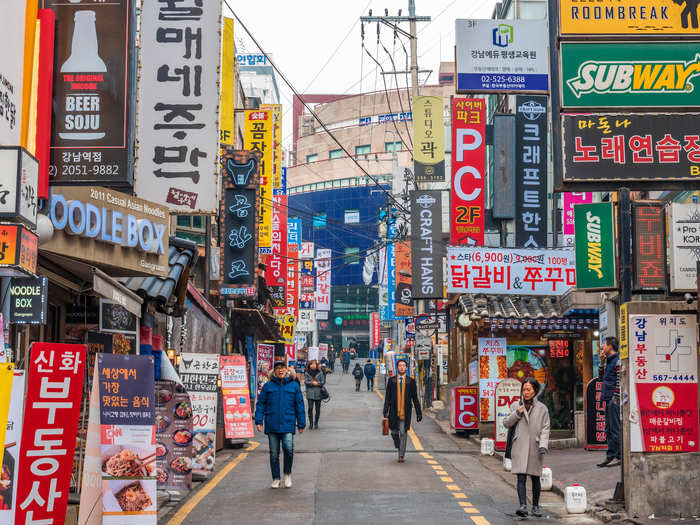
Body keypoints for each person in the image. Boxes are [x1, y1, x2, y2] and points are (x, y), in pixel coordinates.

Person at [503, 377, 550, 518]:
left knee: (535, 477)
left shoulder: (542, 409)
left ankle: (535, 506)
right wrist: (517, 413)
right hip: (520, 446)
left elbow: (546, 428)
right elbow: (506, 423)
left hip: (536, 447)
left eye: (529, 389)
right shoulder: (515, 406)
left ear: (535, 391)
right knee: (521, 477)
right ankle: (523, 505)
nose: (526, 392)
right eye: (524, 389)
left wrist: (543, 445)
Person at [254, 361, 305, 489]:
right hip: (272, 423)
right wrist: (259, 421)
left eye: (282, 368)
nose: (280, 370)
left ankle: (287, 474)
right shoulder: (268, 386)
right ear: (274, 371)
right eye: (277, 368)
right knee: (274, 453)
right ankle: (276, 478)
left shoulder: (294, 386)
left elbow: (299, 405)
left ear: (286, 370)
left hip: (288, 423)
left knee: (288, 449)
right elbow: (261, 404)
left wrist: (301, 423)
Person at [382, 358, 422, 462]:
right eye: (400, 365)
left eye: (404, 365)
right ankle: (399, 446)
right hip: (393, 412)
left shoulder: (411, 381)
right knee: (394, 433)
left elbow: (415, 398)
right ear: (397, 367)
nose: (402, 367)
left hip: (405, 412)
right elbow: (387, 397)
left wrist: (419, 412)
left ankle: (401, 455)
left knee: (403, 433)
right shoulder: (392, 381)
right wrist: (385, 410)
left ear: (406, 367)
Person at [597, 336, 621, 468]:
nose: (603, 347)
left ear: (610, 346)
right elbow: (600, 378)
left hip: (613, 400)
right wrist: (601, 362)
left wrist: (615, 399)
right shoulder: (609, 361)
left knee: (615, 429)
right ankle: (610, 455)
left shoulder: (617, 361)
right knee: (608, 429)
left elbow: (619, 381)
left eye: (604, 345)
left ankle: (619, 456)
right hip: (607, 399)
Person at [304, 360, 325, 430]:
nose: (313, 365)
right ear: (309, 365)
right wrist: (312, 383)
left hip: (318, 393)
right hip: (310, 393)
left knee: (318, 409)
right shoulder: (307, 373)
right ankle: (311, 423)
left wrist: (317, 383)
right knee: (310, 408)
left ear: (316, 365)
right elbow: (306, 382)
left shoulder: (320, 372)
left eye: (314, 364)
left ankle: (316, 423)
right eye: (311, 364)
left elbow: (323, 382)